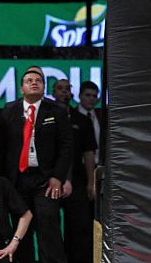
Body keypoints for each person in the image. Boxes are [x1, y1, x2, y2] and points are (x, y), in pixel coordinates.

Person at [0, 66, 73, 263]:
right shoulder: (9, 110)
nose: (34, 82)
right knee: (21, 231)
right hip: (16, 181)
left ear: (44, 87)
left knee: (48, 229)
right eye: (29, 80)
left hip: (46, 180)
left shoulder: (57, 110)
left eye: (38, 80)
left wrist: (58, 177)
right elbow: (1, 150)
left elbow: (66, 147)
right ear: (21, 88)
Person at [52, 78, 97, 263]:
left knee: (79, 227)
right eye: (59, 89)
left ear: (72, 93)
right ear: (53, 93)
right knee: (50, 227)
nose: (64, 92)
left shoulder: (82, 120)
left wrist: (91, 182)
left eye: (67, 89)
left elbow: (88, 154)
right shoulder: (45, 117)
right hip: (50, 179)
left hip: (77, 180)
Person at [76, 81, 102, 165]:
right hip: (78, 167)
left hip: (100, 166)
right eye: (88, 95)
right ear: (79, 96)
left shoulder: (103, 117)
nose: (91, 99)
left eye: (94, 96)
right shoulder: (72, 116)